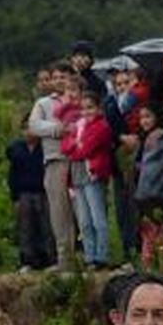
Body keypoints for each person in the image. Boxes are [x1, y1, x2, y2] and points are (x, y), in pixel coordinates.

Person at [60, 89, 115, 270]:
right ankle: (89, 255)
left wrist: (76, 144)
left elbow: (85, 150)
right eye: (83, 109)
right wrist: (76, 144)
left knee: (98, 217)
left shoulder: (102, 127)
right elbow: (65, 147)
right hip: (77, 176)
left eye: (90, 108)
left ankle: (102, 255)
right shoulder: (79, 125)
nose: (86, 112)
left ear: (99, 108)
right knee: (84, 219)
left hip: (92, 175)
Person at [6, 116, 52, 272]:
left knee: (46, 226)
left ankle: (49, 258)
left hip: (43, 192)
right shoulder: (16, 149)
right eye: (25, 128)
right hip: (24, 193)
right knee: (25, 227)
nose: (28, 132)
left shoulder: (45, 148)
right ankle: (27, 260)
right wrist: (14, 196)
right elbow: (12, 175)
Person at [133, 104, 163, 266]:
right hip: (144, 195)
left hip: (157, 193)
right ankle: (149, 264)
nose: (144, 121)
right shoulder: (143, 139)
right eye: (142, 118)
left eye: (148, 117)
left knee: (161, 230)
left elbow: (154, 169)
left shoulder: (159, 137)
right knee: (149, 232)